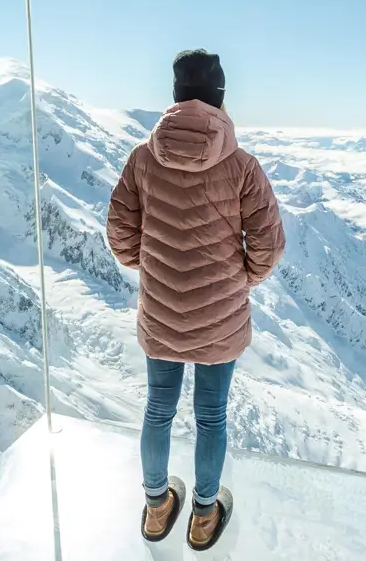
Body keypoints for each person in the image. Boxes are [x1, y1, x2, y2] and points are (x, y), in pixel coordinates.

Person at [106, 49, 286, 550]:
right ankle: (204, 515)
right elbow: (269, 244)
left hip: (161, 310)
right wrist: (237, 282)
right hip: (221, 317)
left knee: (158, 410)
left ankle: (157, 505)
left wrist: (153, 268)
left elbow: (120, 229)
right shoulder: (243, 165)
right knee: (212, 416)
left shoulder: (143, 158)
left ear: (176, 96)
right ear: (221, 98)